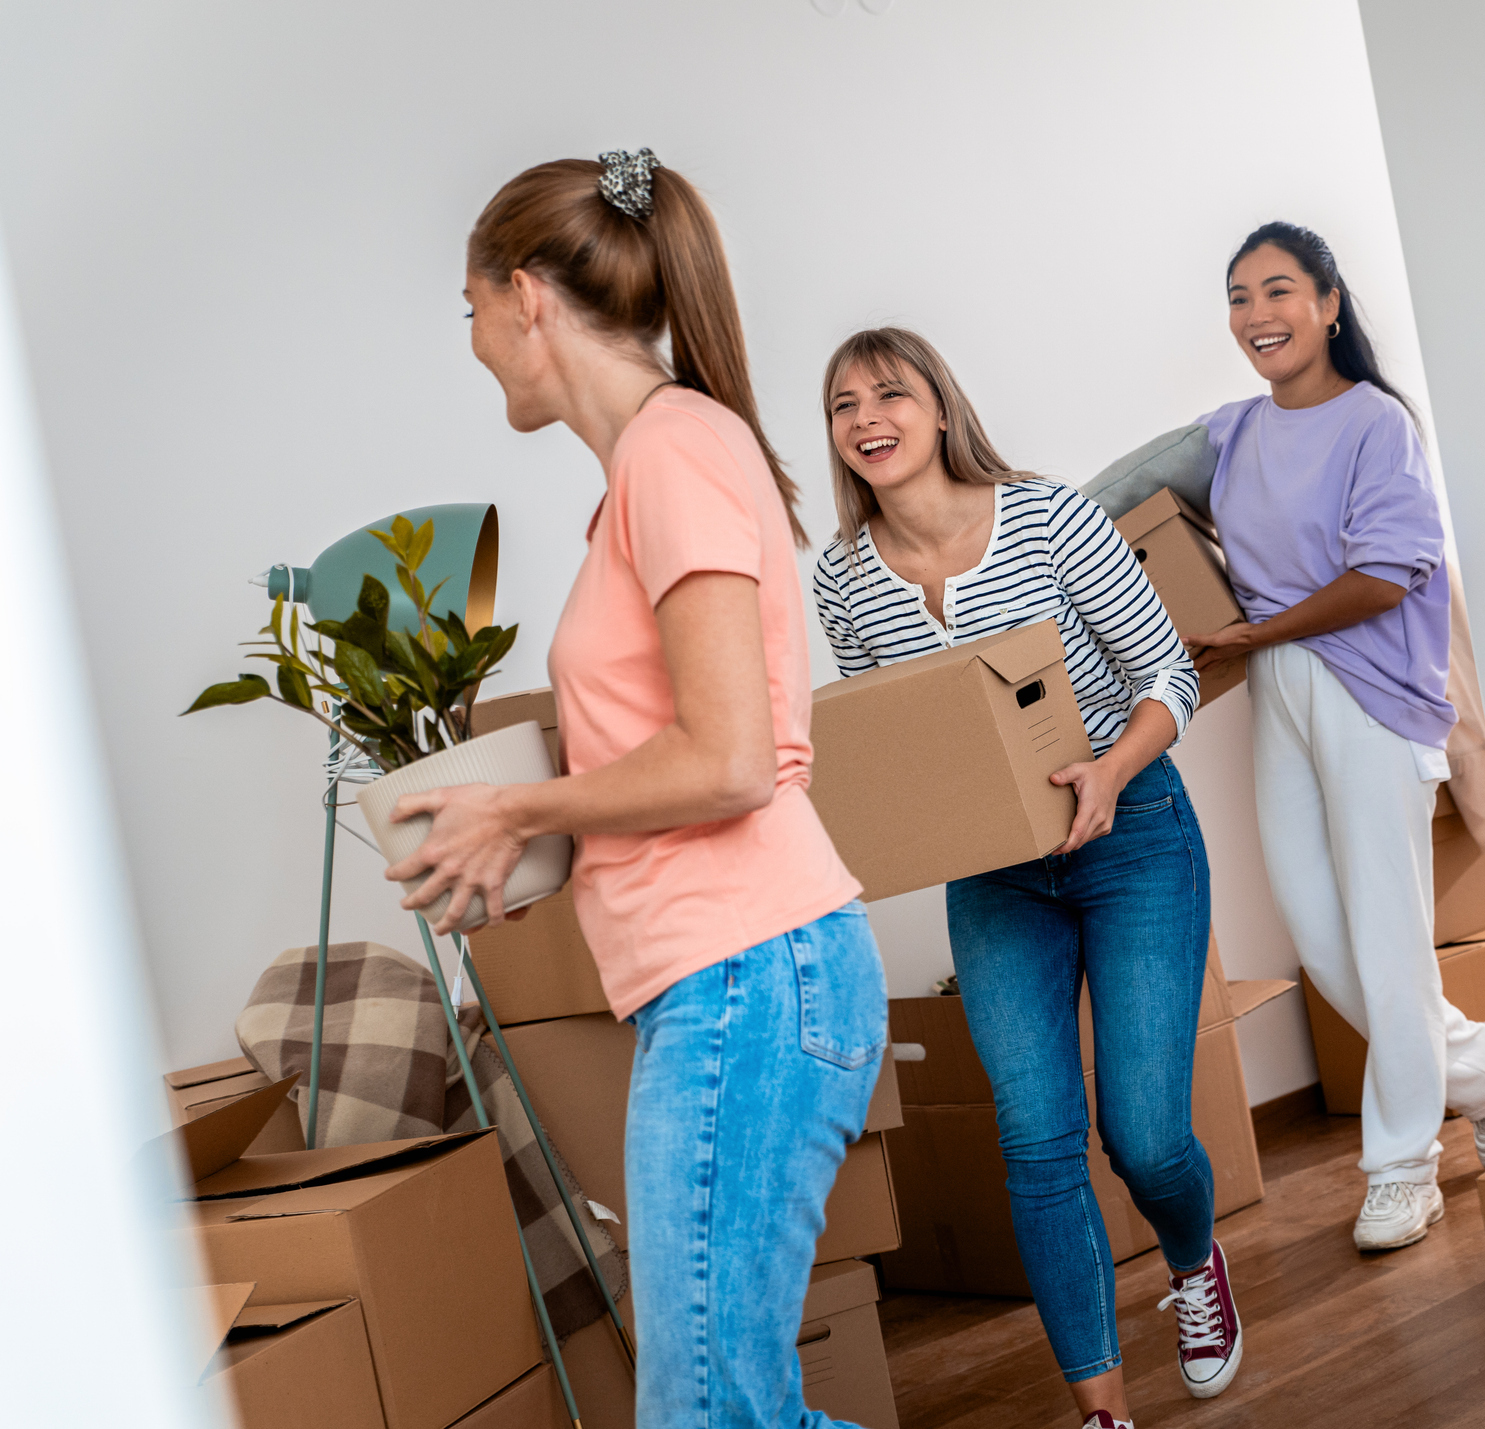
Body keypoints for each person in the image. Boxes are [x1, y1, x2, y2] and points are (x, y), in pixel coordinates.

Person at [386, 150, 881, 1429]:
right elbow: (684, 748)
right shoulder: (656, 467)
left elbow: (727, 760)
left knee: (707, 1413)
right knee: (732, 1407)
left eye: (471, 312)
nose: (478, 343)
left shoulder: (673, 453)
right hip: (730, 978)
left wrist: (517, 809)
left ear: (524, 297)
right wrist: (533, 839)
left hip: (749, 977)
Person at [811, 328, 1241, 1429]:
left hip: (1131, 833)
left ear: (939, 407)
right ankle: (1101, 1410)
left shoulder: (1049, 519)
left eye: (888, 393)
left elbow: (1165, 671)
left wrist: (1106, 771)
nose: (866, 418)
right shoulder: (842, 577)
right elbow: (897, 737)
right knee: (1036, 1141)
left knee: (1142, 1137)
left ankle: (1193, 1264)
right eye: (842, 404)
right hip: (995, 878)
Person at [1183, 222, 1485, 1253]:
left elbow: (1384, 575)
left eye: (1278, 290)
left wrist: (1257, 628)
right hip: (1276, 686)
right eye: (1238, 296)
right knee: (1323, 935)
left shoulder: (1376, 423)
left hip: (1367, 686)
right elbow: (1109, 494)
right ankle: (1479, 1061)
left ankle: (1400, 1168)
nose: (1256, 315)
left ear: (1329, 302)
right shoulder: (1229, 432)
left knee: (1385, 937)